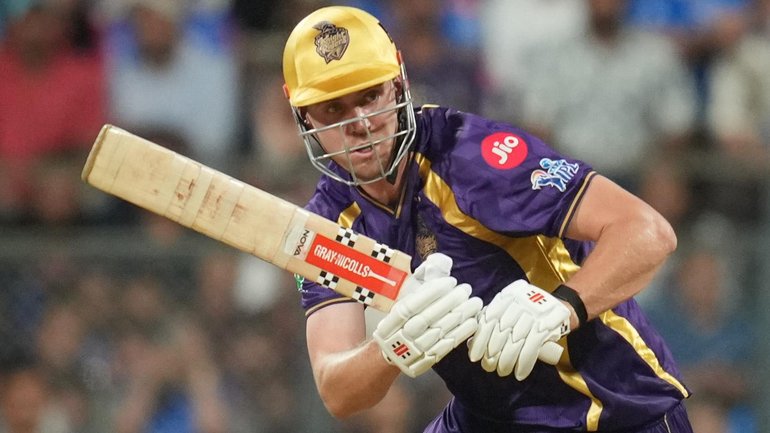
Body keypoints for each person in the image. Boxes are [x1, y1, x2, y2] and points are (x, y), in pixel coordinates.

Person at [282, 6, 693, 432]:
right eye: (332, 108)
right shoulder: (329, 223)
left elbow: (648, 232)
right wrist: (392, 348)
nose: (360, 124)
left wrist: (558, 308)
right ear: (302, 116)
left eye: (369, 96)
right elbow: (336, 390)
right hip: (487, 415)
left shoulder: (470, 157)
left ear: (399, 84)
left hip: (611, 406)